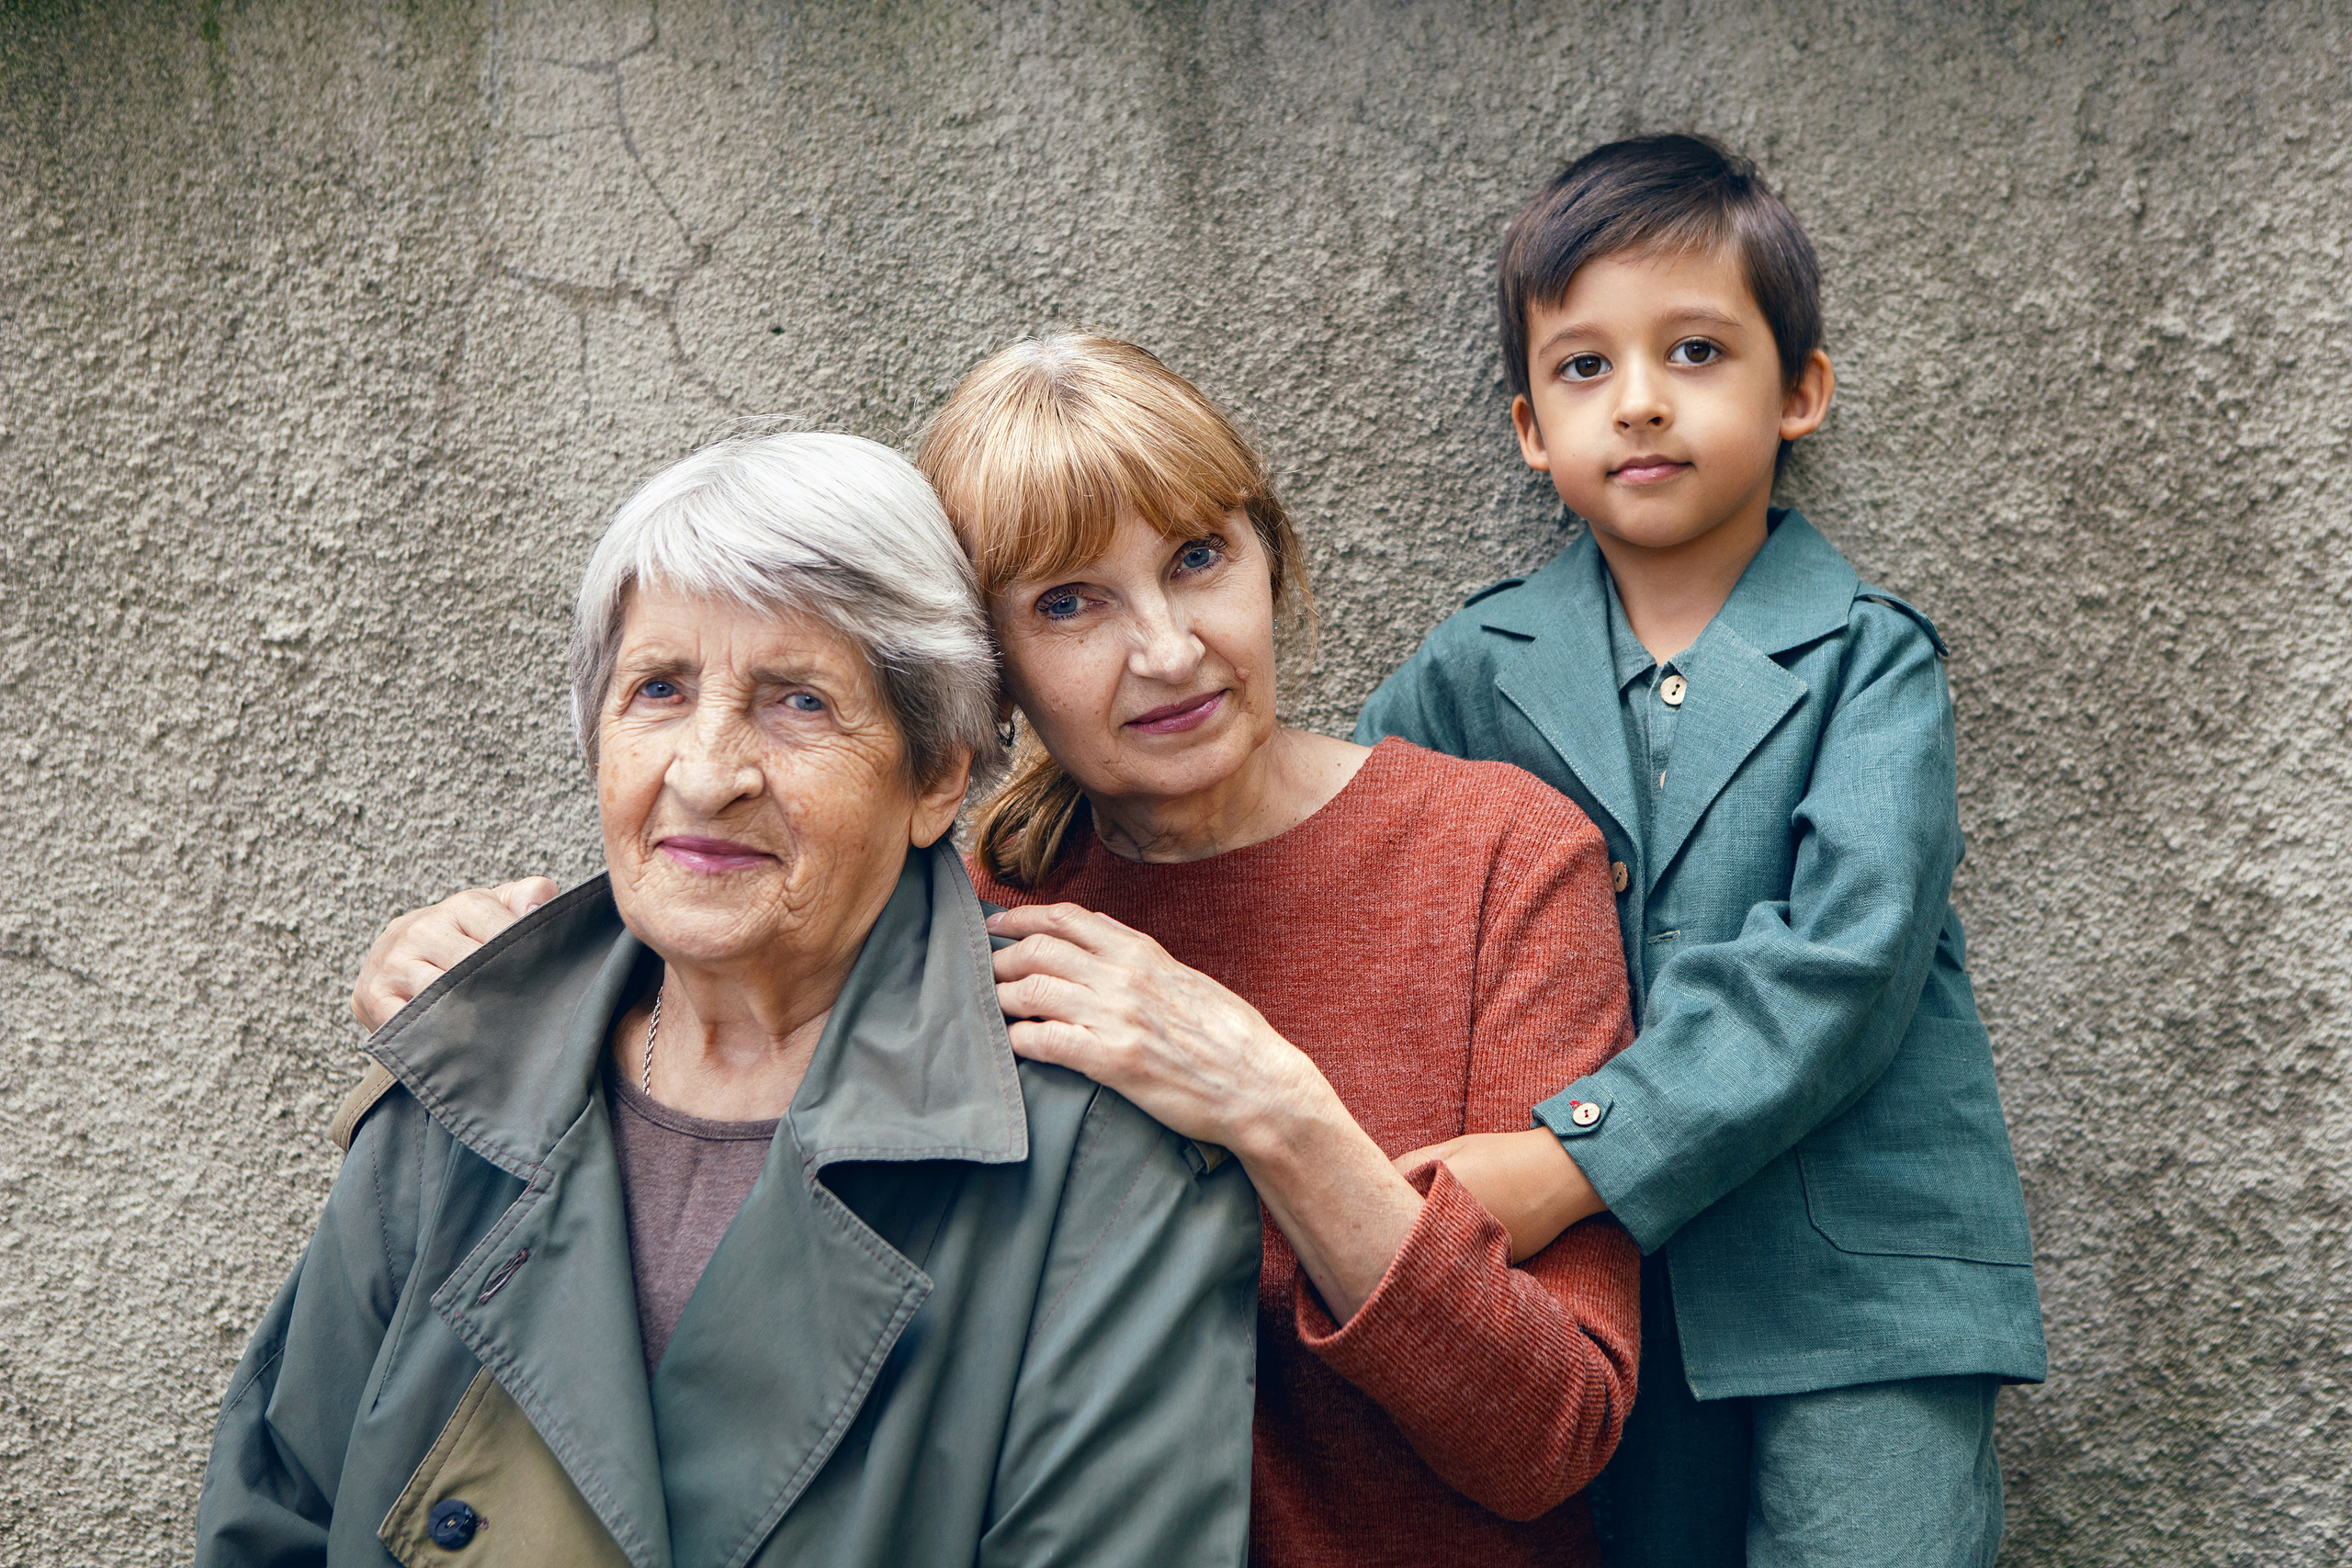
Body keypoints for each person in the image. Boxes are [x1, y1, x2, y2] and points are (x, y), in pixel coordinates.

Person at [352, 338, 1643, 1566]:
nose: (1169, 646)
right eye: (1070, 600)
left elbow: (1553, 1436)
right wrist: (477, 990)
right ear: (982, 676)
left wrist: (1278, 1108)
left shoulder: (1498, 857)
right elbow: (721, 973)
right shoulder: (972, 921)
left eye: (1200, 556)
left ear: (1271, 554)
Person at [194, 429, 1263, 1567]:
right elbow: (270, 1523)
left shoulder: (1097, 1164)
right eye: (657, 689)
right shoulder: (449, 1104)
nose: (706, 772)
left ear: (935, 776)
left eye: (796, 702)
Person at [1353, 134, 2048, 1568]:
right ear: (1531, 427)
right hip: (1612, 1306)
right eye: (1586, 366)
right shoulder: (1470, 672)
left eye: (1696, 350)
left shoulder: (1872, 659)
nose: (1643, 400)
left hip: (1866, 1281)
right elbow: (1356, 869)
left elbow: (1845, 961)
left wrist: (1573, 1160)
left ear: (1800, 391)